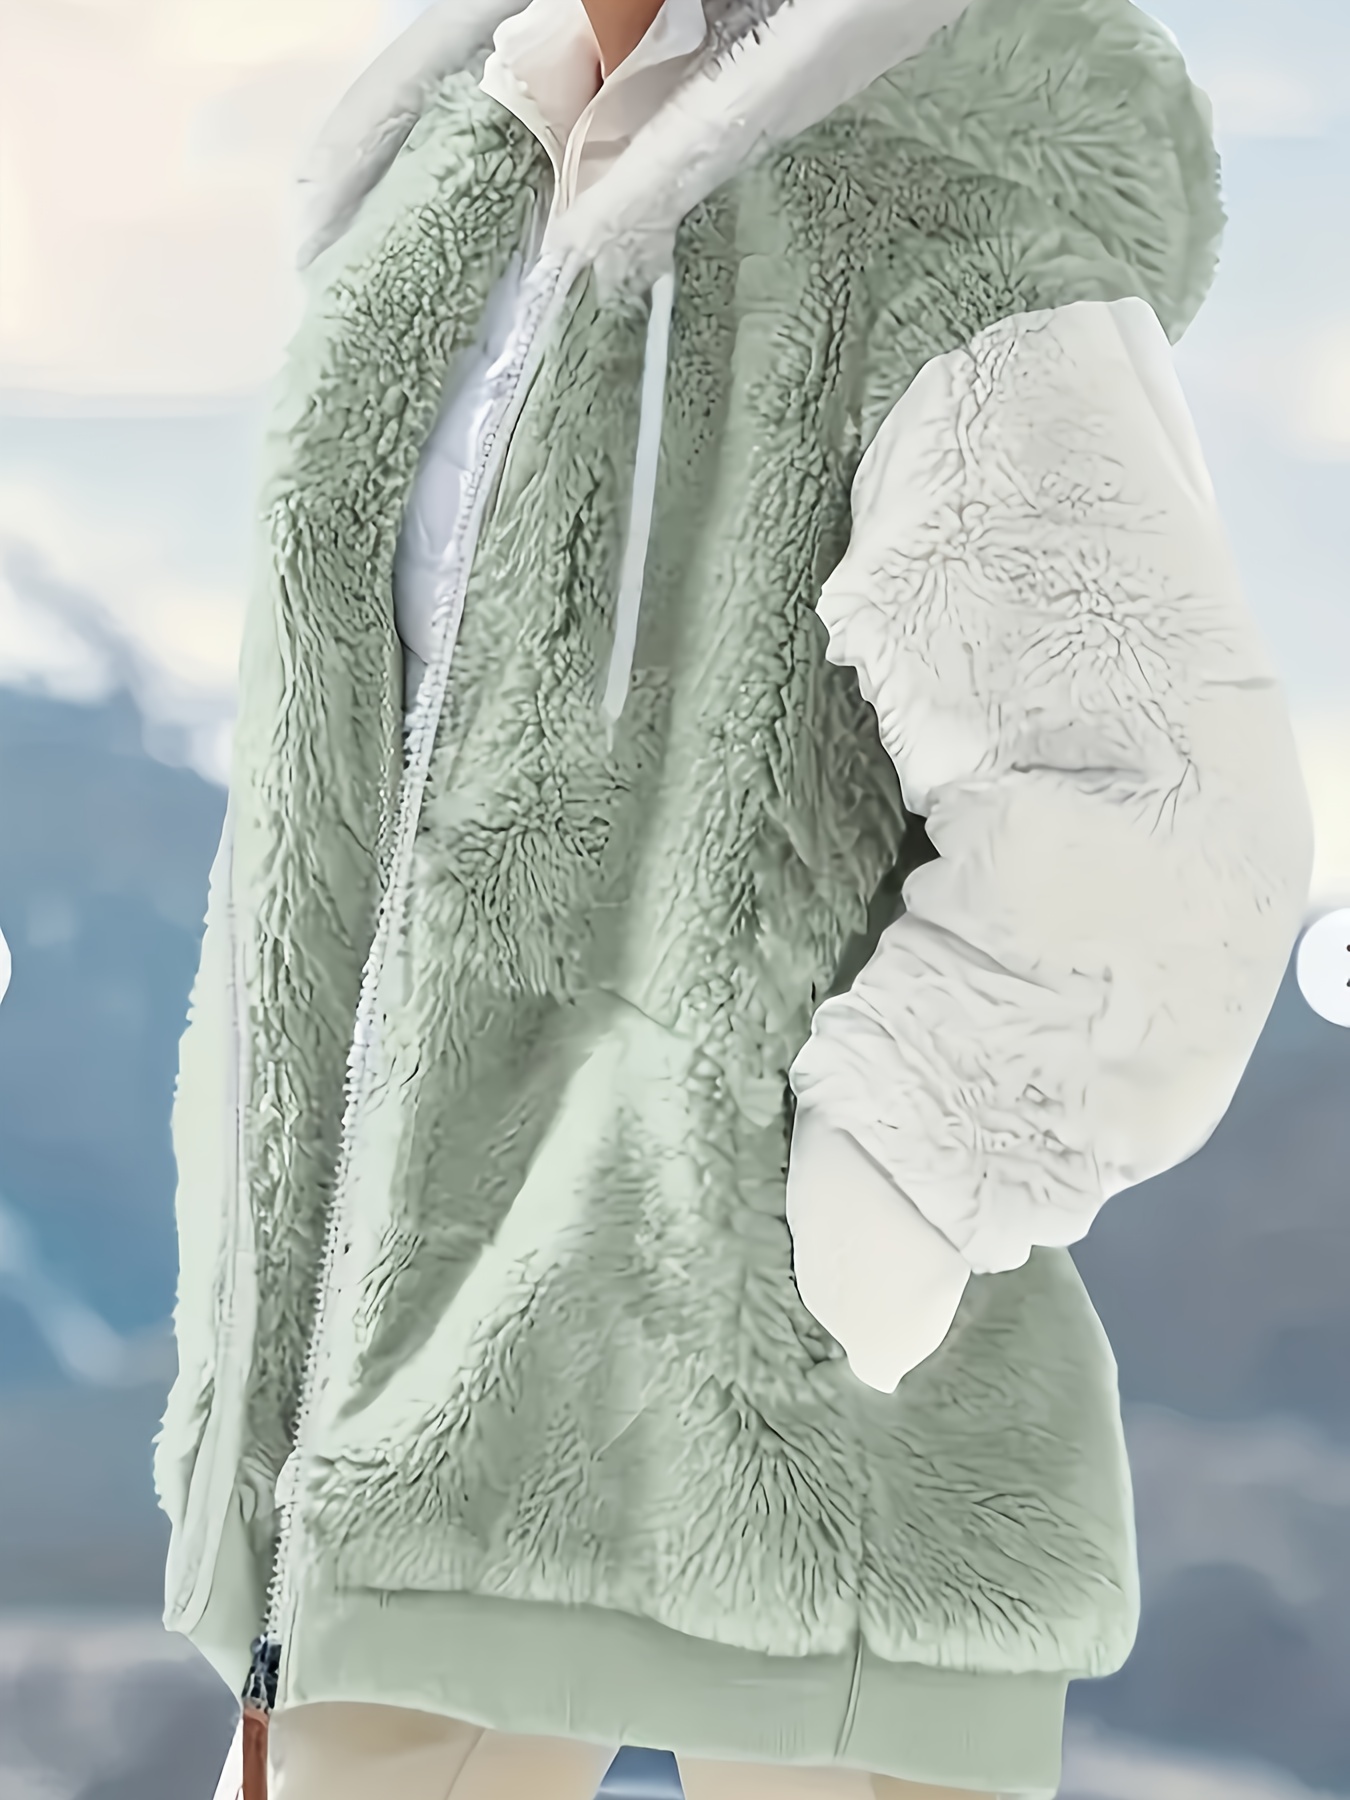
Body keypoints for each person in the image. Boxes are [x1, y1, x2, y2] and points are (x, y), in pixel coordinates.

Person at [155, 0, 1315, 1796]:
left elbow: (1158, 799)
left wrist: (871, 1213)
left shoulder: (935, 184)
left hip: (807, 1448)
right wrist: (269, 1431)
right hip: (409, 1445)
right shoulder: (461, 168)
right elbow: (334, 858)